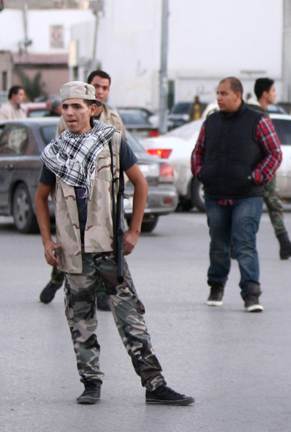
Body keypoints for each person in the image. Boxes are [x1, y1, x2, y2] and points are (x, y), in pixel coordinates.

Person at [34, 81, 194, 406]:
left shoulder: (112, 141)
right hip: (73, 251)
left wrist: (134, 231)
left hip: (108, 246)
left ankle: (155, 385)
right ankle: (90, 383)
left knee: (130, 318)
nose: (70, 113)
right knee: (80, 321)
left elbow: (140, 184)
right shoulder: (56, 151)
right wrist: (47, 241)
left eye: (77, 106)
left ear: (93, 109)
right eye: (65, 107)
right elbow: (40, 198)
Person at [39, 70, 128, 311]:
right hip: (74, 192)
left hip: (105, 194)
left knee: (105, 244)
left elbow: (122, 153)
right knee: (71, 245)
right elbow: (61, 154)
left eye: (105, 88)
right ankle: (57, 279)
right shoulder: (71, 115)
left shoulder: (113, 118)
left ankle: (101, 291)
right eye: (96, 86)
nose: (100, 91)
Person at [191, 77, 282, 311]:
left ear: (238, 95)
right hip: (216, 195)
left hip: (247, 196)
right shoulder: (211, 121)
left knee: (244, 243)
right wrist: (201, 173)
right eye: (217, 93)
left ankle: (251, 293)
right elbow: (198, 152)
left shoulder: (258, 121)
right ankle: (216, 287)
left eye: (224, 93)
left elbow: (274, 153)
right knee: (218, 245)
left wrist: (256, 177)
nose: (219, 98)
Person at [251, 78, 291, 260]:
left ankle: (285, 244)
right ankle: (235, 246)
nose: (275, 94)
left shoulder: (261, 112)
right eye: (273, 91)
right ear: (265, 94)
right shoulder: (255, 114)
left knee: (273, 205)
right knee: (252, 209)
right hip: (259, 170)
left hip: (264, 170)